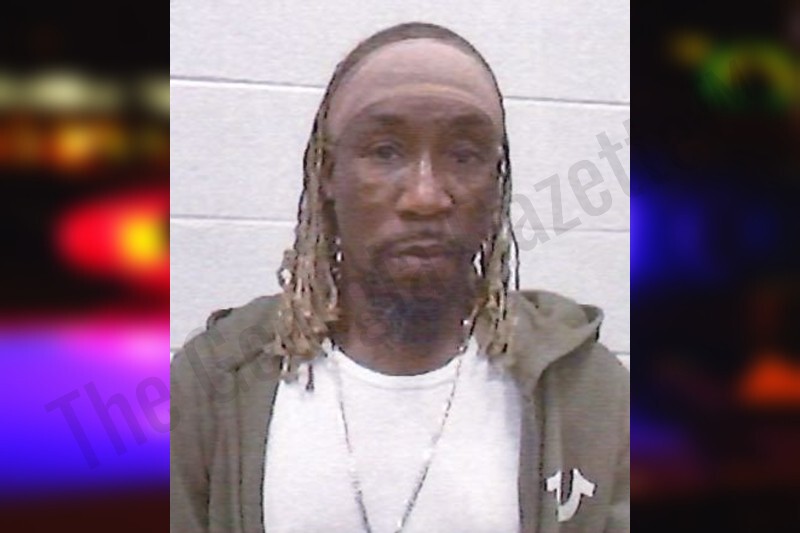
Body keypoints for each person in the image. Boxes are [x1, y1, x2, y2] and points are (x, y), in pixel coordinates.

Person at [170, 22, 629, 533]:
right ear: (328, 173)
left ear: (497, 184)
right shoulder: (217, 382)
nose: (425, 197)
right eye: (385, 151)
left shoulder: (587, 392)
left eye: (464, 155)